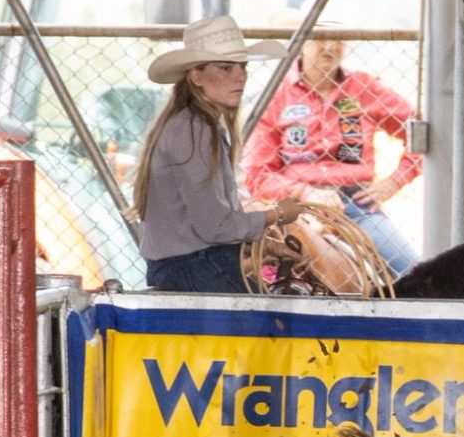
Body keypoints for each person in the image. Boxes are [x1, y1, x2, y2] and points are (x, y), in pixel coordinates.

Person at [134, 17, 309, 293]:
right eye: (226, 68)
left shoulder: (195, 126)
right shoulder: (193, 130)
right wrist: (276, 214)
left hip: (191, 265)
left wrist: (265, 246)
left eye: (243, 67)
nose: (239, 76)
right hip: (194, 268)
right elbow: (215, 227)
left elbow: (208, 225)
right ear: (196, 76)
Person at [240, 23, 424, 278]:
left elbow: (422, 134)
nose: (329, 46)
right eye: (319, 38)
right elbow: (256, 173)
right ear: (301, 44)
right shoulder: (276, 95)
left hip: (356, 205)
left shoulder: (365, 88)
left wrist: (395, 181)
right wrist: (304, 191)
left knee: (413, 271)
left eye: (338, 38)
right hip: (292, 208)